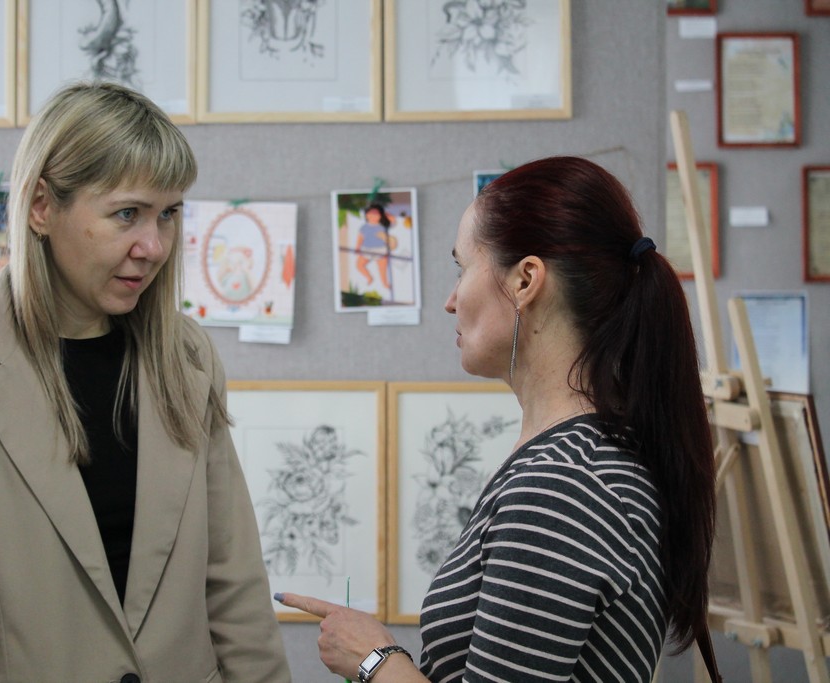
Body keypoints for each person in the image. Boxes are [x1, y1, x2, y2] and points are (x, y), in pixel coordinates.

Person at [0, 82, 291, 683]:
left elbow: (234, 581)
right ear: (41, 207)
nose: (154, 246)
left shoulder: (187, 354)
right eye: (127, 213)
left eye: (168, 214)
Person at [278, 156, 716, 683]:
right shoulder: (580, 457)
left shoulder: (561, 485)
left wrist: (373, 658)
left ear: (526, 280)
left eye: (462, 268)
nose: (450, 301)